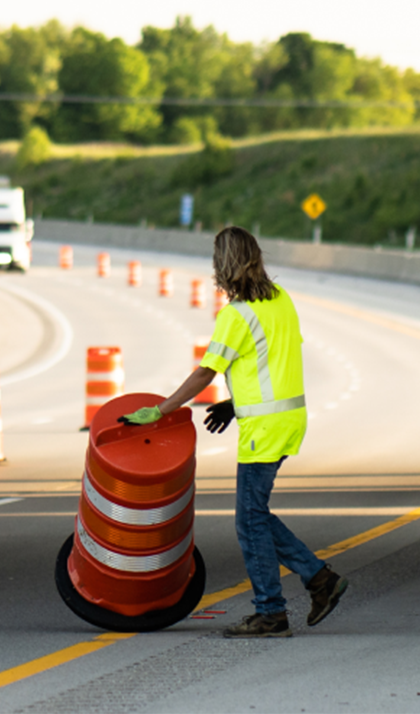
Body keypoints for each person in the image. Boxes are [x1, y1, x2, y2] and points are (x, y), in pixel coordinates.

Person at [119, 226, 348, 638]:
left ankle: (273, 611)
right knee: (254, 515)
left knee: (248, 521)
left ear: (221, 266)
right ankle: (318, 581)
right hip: (287, 418)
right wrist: (232, 404)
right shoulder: (280, 300)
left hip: (264, 428)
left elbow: (208, 370)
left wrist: (161, 410)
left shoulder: (235, 315)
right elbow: (269, 364)